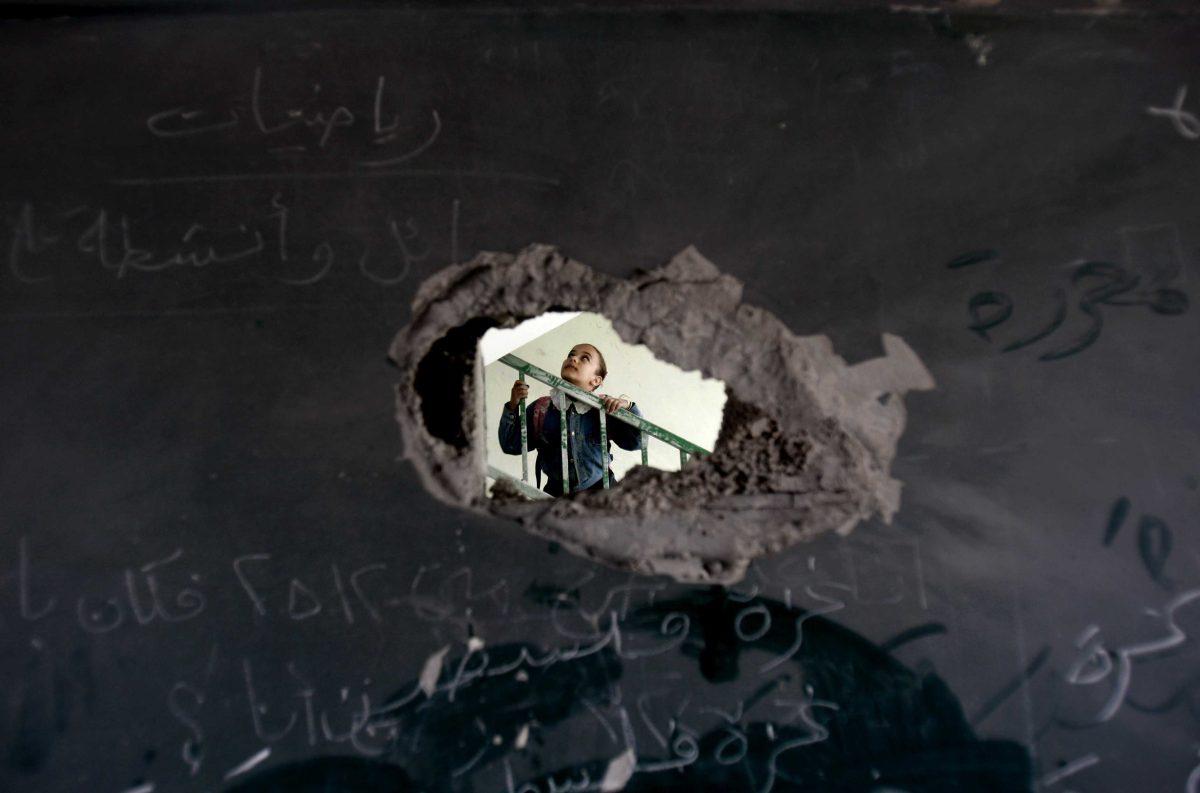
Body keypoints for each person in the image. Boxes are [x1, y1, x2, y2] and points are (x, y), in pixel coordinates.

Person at [497, 343, 644, 497]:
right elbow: (510, 444)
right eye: (571, 355)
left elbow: (637, 442)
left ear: (596, 380)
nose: (573, 358)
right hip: (557, 497)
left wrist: (628, 407)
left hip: (602, 493)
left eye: (584, 358)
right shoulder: (541, 408)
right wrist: (513, 405)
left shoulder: (604, 409)